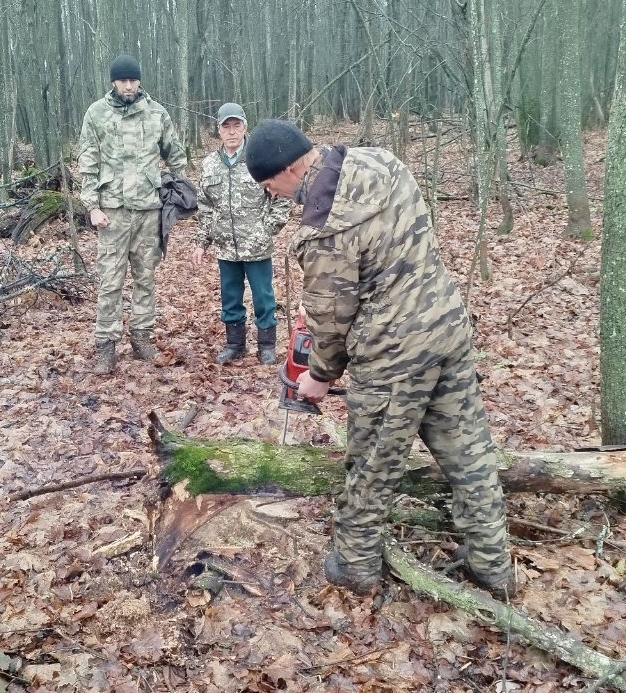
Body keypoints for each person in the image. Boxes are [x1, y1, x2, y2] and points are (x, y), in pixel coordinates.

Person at [244, 118, 515, 597]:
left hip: (393, 354)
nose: (276, 197)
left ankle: (353, 563)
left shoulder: (323, 230)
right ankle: (492, 564)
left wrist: (319, 376)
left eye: (271, 187)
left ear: (288, 169)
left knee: (372, 464)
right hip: (446, 327)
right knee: (470, 455)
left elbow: (331, 321)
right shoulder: (381, 161)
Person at [78, 54, 187, 376]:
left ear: (139, 80)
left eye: (132, 79)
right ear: (113, 81)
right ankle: (106, 347)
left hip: (149, 210)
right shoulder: (96, 114)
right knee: (110, 282)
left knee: (145, 279)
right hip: (112, 212)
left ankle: (142, 339)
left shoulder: (157, 113)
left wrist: (178, 195)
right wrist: (92, 206)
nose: (128, 85)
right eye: (122, 80)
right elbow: (88, 162)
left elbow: (176, 155)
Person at [192, 103, 291, 364]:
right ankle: (235, 344)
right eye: (226, 127)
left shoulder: (260, 158)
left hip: (257, 246)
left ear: (245, 127)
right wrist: (201, 242)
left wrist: (267, 229)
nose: (232, 132)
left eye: (237, 126)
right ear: (218, 130)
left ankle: (267, 345)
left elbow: (281, 199)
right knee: (230, 298)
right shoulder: (210, 165)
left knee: (263, 297)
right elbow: (205, 206)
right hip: (225, 246)